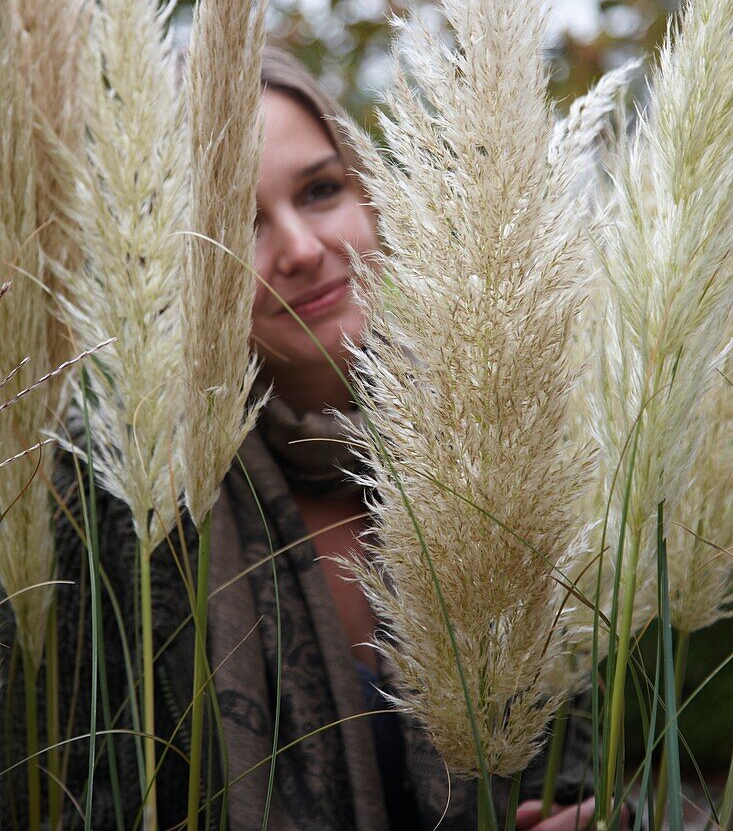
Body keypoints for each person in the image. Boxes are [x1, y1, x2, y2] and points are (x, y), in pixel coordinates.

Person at [0, 47, 606, 830]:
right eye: (236, 224)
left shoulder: (496, 438)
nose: (299, 248)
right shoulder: (115, 496)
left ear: (372, 191)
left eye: (321, 190)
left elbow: (583, 735)